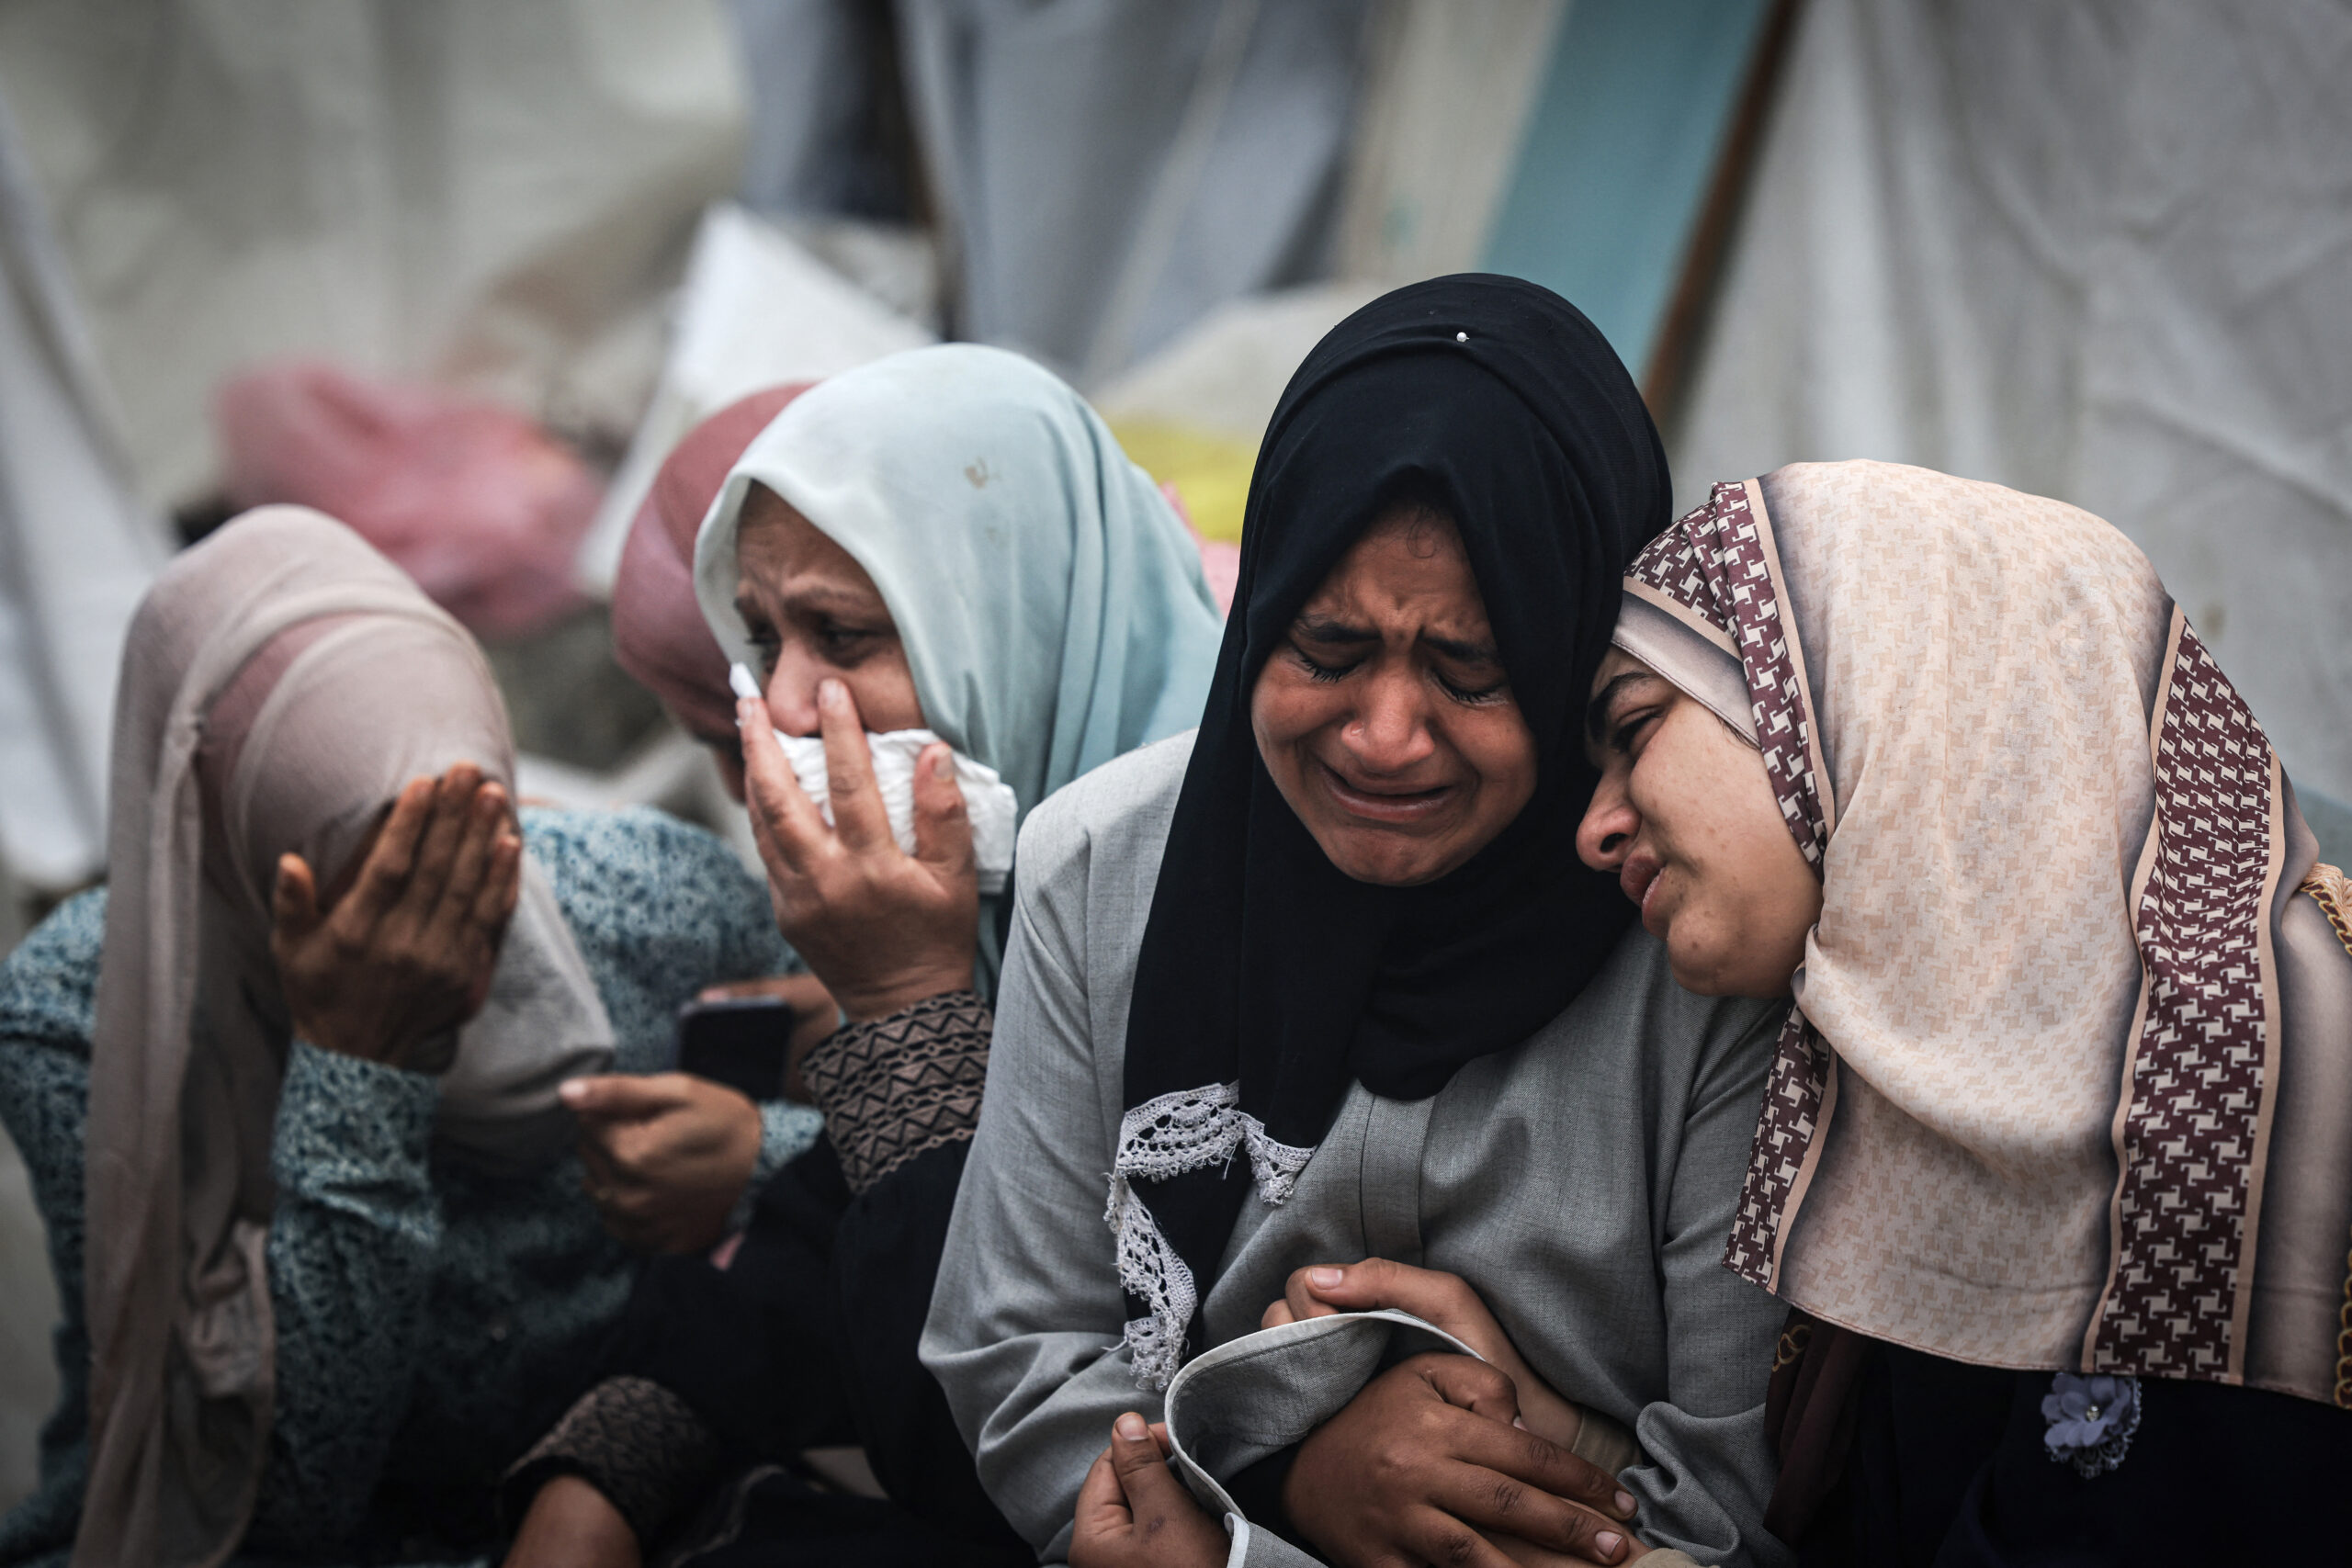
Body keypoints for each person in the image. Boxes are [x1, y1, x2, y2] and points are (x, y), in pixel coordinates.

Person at [922, 275, 1795, 1568]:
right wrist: (1277, 1491)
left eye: (1471, 669)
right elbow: (1018, 1352)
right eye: (1327, 649)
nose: (1385, 736)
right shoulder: (1103, 869)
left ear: (1570, 661)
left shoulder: (1697, 940)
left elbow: (1728, 1504)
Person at [500, 343, 1226, 1565]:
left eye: (840, 633)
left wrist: (901, 1002)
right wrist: (595, 1479)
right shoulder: (1004, 897)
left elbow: (995, 1456)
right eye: (761, 641)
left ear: (1009, 631)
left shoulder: (1219, 930)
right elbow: (803, 1255)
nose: (781, 707)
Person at [0, 506, 821, 1568]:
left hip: (663, 1491)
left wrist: (759, 1156)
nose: (447, 944)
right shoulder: (94, 1020)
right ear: (234, 845)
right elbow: (268, 1503)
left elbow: (903, 1173)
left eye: (479, 860)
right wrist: (361, 1068)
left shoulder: (647, 900)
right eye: (376, 889)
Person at [1574, 461, 2352, 1563]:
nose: (1594, 829)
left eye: (1635, 727)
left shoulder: (2250, 1078)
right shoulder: (1910, 1085)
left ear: (1863, 691)